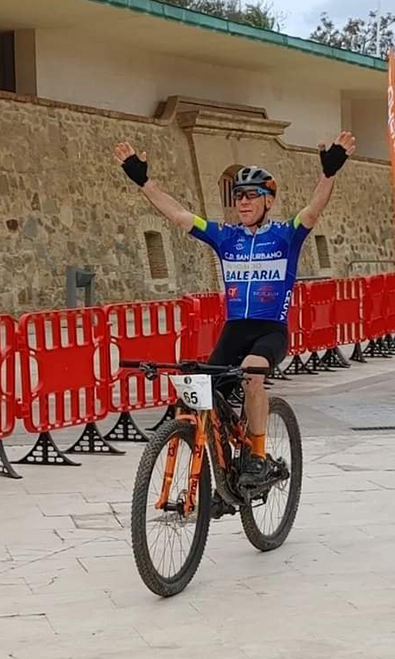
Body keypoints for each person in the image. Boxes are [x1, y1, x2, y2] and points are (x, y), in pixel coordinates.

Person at [114, 131, 356, 487]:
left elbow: (313, 210)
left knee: (252, 374)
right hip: (234, 331)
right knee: (203, 396)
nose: (242, 202)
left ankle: (257, 456)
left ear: (268, 201)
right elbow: (179, 215)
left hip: (270, 330)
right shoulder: (226, 237)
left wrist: (329, 173)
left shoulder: (285, 235)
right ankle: (220, 470)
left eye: (251, 195)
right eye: (238, 195)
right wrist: (143, 181)